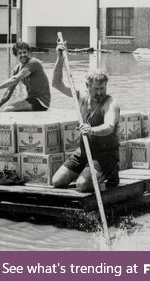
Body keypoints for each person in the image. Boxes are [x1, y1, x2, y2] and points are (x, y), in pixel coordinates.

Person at [51, 43, 120, 192]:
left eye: (103, 88)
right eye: (96, 89)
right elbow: (56, 84)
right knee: (57, 181)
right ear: (87, 86)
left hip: (105, 155)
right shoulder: (81, 96)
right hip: (84, 151)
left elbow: (109, 127)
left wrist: (92, 130)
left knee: (82, 185)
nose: (100, 93)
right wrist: (60, 58)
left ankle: (110, 172)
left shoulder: (110, 104)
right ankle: (88, 172)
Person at [0, 41, 51, 112]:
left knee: (8, 109)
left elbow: (15, 79)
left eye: (25, 52)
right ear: (16, 55)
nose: (23, 55)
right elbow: (9, 92)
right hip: (31, 99)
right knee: (7, 108)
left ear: (28, 52)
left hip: (41, 102)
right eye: (20, 53)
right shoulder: (17, 69)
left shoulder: (34, 63)